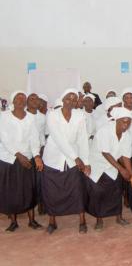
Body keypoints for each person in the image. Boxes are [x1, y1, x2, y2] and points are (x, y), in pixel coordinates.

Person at [42, 88, 90, 234]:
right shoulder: (52, 115)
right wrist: (76, 158)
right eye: (68, 98)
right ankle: (52, 221)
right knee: (52, 191)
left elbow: (82, 138)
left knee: (77, 189)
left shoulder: (80, 115)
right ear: (62, 100)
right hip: (53, 158)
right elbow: (58, 138)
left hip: (74, 159)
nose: (71, 101)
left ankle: (82, 221)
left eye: (74, 99)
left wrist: (86, 161)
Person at [86, 107, 132, 230]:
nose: (126, 124)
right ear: (117, 120)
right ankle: (99, 220)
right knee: (98, 192)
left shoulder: (126, 135)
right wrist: (121, 169)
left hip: (112, 165)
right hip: (98, 164)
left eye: (129, 122)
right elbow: (105, 153)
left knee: (116, 190)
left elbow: (125, 156)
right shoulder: (104, 131)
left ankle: (118, 217)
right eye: (123, 121)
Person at [0, 91, 43, 231]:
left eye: (23, 98)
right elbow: (4, 138)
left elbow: (34, 138)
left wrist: (36, 156)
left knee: (29, 189)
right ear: (13, 101)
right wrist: (18, 155)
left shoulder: (30, 118)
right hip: (9, 158)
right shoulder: (4, 116)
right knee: (11, 190)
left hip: (28, 157)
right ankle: (13, 221)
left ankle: (32, 220)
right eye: (18, 98)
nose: (21, 100)